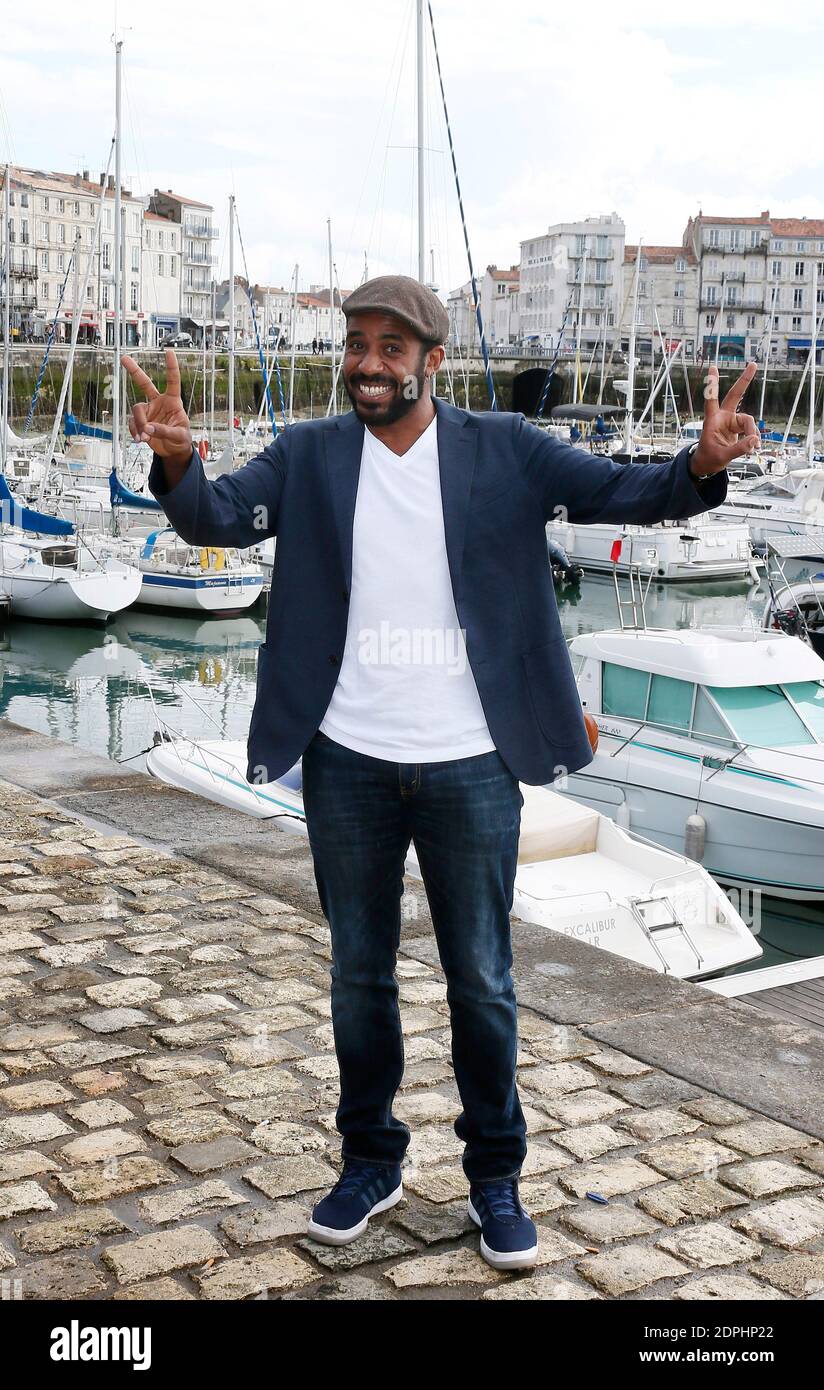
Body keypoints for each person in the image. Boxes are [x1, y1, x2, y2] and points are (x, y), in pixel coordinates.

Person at [122, 275, 758, 1272]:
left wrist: (699, 462)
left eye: (389, 346)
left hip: (470, 764)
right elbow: (217, 518)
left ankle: (492, 1178)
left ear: (431, 359)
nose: (368, 363)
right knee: (358, 978)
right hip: (347, 762)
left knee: (482, 981)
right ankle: (370, 1161)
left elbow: (622, 488)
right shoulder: (310, 455)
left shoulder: (502, 449)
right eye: (356, 343)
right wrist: (176, 463)